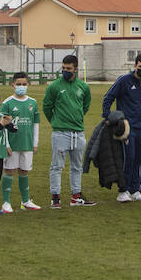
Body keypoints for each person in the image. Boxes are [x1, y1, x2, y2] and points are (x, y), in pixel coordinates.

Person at [43, 55, 95, 208]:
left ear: (76, 69)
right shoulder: (54, 87)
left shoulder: (83, 87)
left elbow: (85, 106)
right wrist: (55, 122)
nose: (65, 71)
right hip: (60, 133)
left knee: (77, 166)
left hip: (78, 133)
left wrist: (76, 118)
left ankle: (76, 196)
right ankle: (55, 197)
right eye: (63, 68)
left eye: (68, 69)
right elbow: (47, 106)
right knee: (56, 166)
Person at [102, 54, 141, 203]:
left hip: (140, 126)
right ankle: (122, 191)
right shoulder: (124, 80)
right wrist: (109, 118)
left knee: (138, 158)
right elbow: (108, 98)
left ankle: (135, 190)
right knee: (128, 158)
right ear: (135, 66)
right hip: (126, 127)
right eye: (140, 66)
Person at [1, 73, 41, 211]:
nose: (21, 87)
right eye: (18, 84)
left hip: (27, 143)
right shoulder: (7, 103)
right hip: (12, 145)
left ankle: (25, 201)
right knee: (9, 171)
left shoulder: (33, 102)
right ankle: (6, 202)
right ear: (12, 85)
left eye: (24, 84)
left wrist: (35, 143)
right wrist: (6, 144)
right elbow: (3, 125)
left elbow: (35, 124)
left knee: (24, 171)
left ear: (28, 84)